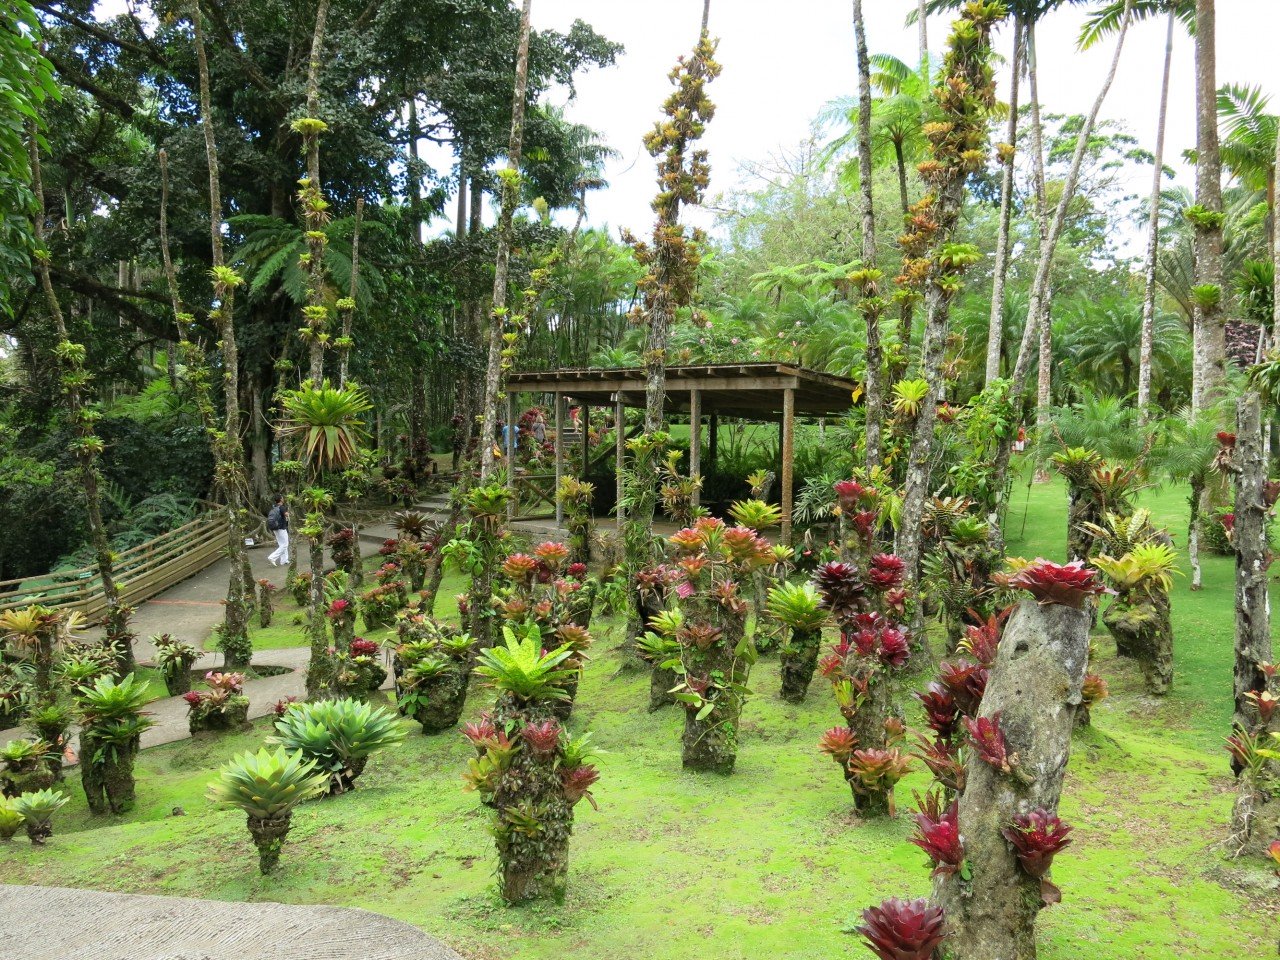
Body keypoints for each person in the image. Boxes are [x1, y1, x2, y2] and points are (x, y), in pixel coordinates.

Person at [266, 495, 289, 567]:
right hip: (281, 528)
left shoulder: (274, 508)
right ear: (281, 499)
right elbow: (286, 514)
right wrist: (287, 514)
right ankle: (272, 557)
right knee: (285, 545)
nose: (283, 499)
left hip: (276, 528)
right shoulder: (282, 507)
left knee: (282, 545)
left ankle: (284, 560)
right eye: (282, 498)